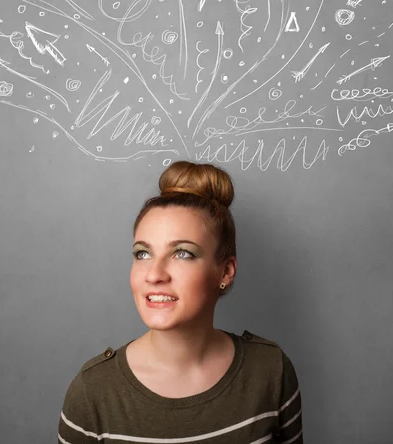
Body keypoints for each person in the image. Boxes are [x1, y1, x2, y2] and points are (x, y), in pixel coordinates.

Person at [58, 161, 303, 443]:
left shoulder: (271, 370)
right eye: (142, 254)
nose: (155, 274)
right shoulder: (92, 392)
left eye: (183, 253)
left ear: (225, 271)